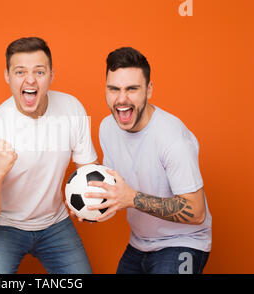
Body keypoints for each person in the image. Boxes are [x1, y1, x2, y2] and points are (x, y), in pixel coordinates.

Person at [0, 37, 98, 274]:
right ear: (7, 77)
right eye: (20, 72)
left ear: (51, 75)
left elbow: (89, 172)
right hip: (4, 226)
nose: (30, 79)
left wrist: (92, 204)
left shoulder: (72, 108)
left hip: (55, 223)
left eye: (39, 72)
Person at [84, 47, 212, 274]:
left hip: (183, 243)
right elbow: (117, 190)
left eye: (132, 89)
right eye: (114, 89)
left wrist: (132, 198)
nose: (121, 99)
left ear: (149, 90)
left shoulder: (172, 137)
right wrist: (90, 208)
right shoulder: (107, 127)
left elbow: (196, 211)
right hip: (139, 243)